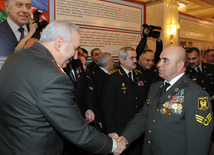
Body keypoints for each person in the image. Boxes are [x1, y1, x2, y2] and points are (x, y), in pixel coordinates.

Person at [0, 20, 126, 155]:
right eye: (75, 48)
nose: (76, 55)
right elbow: (77, 131)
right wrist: (113, 145)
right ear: (59, 43)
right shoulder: (53, 77)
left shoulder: (15, 57)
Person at [119, 45, 213, 155]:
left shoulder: (195, 95)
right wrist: (125, 138)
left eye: (165, 61)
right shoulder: (155, 87)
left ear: (180, 65)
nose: (158, 64)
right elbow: (144, 116)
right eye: (160, 59)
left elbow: (198, 141)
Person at [101, 47, 146, 155]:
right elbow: (107, 107)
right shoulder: (112, 77)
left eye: (135, 57)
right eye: (132, 58)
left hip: (138, 127)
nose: (135, 60)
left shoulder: (139, 75)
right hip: (121, 127)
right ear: (121, 60)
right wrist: (112, 131)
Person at [89, 52, 115, 134]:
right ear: (108, 62)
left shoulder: (101, 74)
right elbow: (99, 99)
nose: (114, 63)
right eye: (112, 61)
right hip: (102, 116)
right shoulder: (102, 77)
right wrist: (99, 118)